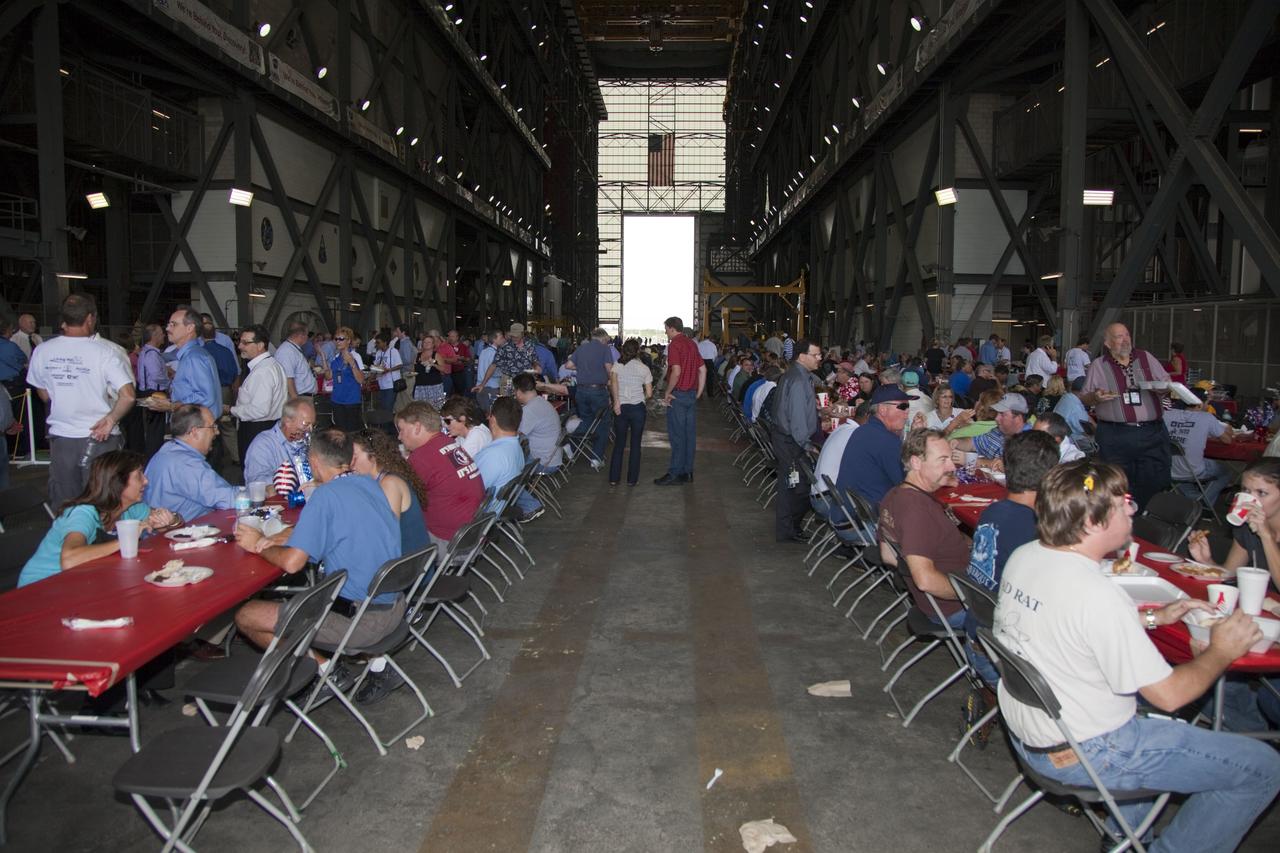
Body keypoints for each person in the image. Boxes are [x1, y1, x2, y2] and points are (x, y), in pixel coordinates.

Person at [992, 460, 1280, 851]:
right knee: (1264, 768)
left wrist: (1149, 616)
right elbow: (1171, 695)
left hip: (1034, 734)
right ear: (1093, 523)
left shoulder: (1028, 556)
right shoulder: (1096, 594)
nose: (1132, 509)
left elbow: (1068, 627)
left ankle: (1123, 839)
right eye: (1122, 502)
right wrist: (1221, 651)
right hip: (1092, 749)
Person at [233, 427, 405, 706]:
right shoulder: (371, 484)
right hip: (394, 606)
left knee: (247, 615)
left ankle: (325, 671)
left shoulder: (325, 497)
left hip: (363, 622)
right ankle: (377, 665)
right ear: (349, 459)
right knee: (310, 595)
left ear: (313, 461)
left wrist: (258, 543)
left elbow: (292, 563)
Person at [963, 431, 1059, 693]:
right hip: (1003, 660)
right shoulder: (1034, 531)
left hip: (977, 636)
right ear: (1050, 477)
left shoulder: (993, 511)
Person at [26, 294, 136, 507]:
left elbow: (44, 395)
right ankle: (104, 540)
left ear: (63, 320)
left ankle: (71, 539)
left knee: (67, 503)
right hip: (100, 437)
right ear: (90, 319)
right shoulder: (106, 352)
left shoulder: (42, 351)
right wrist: (111, 419)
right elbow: (128, 395)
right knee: (103, 499)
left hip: (62, 439)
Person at [18, 450, 176, 587]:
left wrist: (170, 520)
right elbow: (69, 560)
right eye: (139, 475)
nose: (146, 481)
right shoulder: (83, 513)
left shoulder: (132, 508)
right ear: (118, 483)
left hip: (82, 581)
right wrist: (126, 539)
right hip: (42, 587)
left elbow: (165, 526)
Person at [878, 429, 971, 629]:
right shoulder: (917, 510)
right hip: (953, 609)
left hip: (930, 603)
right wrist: (974, 593)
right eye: (942, 459)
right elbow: (926, 581)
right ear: (916, 463)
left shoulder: (894, 495)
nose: (952, 465)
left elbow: (888, 555)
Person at [1083, 323, 1172, 509]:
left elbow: (1167, 382)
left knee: (1154, 480)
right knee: (1116, 482)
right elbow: (1085, 397)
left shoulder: (1146, 357)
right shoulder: (1098, 365)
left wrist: (1162, 388)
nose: (1125, 340)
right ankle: (1120, 521)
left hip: (1151, 432)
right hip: (1115, 435)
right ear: (1107, 343)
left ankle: (1147, 522)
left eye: (1127, 335)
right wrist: (1096, 397)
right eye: (1118, 336)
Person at [396, 401, 484, 549]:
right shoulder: (448, 442)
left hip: (449, 540)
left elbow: (398, 499)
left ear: (417, 428)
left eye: (402, 430)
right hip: (473, 531)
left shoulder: (422, 457)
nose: (399, 437)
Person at [1189, 458, 1280, 591]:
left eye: (1261, 493)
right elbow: (1229, 574)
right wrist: (1206, 561)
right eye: (1246, 491)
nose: (1251, 500)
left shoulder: (1260, 528)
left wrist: (1267, 537)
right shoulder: (1247, 525)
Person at [143, 404, 239, 520]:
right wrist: (260, 492)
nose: (217, 432)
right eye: (212, 427)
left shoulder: (165, 452)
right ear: (194, 432)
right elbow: (229, 499)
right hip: (184, 532)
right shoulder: (187, 464)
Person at [771, 340, 822, 542]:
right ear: (802, 356)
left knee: (792, 486)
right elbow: (797, 418)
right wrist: (807, 445)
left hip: (788, 438)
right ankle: (787, 530)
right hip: (792, 441)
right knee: (796, 488)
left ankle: (790, 528)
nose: (820, 358)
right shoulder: (799, 380)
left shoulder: (798, 375)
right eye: (816, 355)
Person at [351, 428, 429, 555]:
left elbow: (385, 534)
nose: (350, 463)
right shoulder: (381, 478)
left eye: (354, 457)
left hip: (409, 565)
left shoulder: (390, 484)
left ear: (373, 456)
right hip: (410, 559)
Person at [836, 385, 912, 508]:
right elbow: (909, 484)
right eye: (902, 407)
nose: (907, 413)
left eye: (908, 407)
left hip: (848, 512)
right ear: (882, 409)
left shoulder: (863, 430)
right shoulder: (886, 440)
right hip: (867, 520)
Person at [654, 316, 705, 486]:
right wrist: (698, 392)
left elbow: (676, 371)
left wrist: (668, 392)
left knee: (677, 436)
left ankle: (674, 473)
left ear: (671, 328)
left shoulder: (675, 344)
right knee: (689, 436)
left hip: (679, 395)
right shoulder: (692, 344)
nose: (666, 332)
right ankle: (687, 472)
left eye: (666, 329)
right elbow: (702, 369)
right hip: (690, 395)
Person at [1163, 392, 1234, 507]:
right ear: (1200, 405)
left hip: (1169, 469)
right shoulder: (1206, 417)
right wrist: (1228, 427)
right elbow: (1227, 440)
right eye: (1207, 403)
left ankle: (1194, 500)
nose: (1208, 406)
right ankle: (1204, 502)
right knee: (1226, 471)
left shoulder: (1167, 414)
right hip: (1193, 470)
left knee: (1183, 473)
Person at [231, 324, 288, 456]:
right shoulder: (270, 364)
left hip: (257, 429)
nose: (240, 346)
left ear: (260, 345)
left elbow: (260, 410)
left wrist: (231, 410)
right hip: (268, 426)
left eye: (245, 343)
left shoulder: (263, 371)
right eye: (240, 342)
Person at [564, 328, 615, 470]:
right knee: (603, 424)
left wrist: (583, 367)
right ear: (603, 338)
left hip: (581, 390)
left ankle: (571, 444)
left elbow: (568, 365)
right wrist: (612, 384)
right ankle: (596, 458)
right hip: (598, 390)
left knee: (586, 419)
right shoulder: (605, 349)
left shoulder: (581, 348)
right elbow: (609, 370)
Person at [242, 397, 317, 488]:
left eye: (313, 425)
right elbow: (257, 482)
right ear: (288, 422)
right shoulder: (263, 444)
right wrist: (289, 479)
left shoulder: (308, 441)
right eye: (306, 424)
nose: (310, 429)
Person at [609, 338, 652, 487]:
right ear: (637, 350)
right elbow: (650, 393)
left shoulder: (617, 366)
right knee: (635, 444)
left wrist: (616, 402)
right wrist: (641, 399)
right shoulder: (643, 368)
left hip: (620, 408)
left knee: (619, 443)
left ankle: (614, 478)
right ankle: (632, 480)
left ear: (623, 349)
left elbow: (613, 385)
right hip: (637, 409)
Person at [951, 393, 1031, 470]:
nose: (996, 418)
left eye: (1002, 414)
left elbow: (1014, 468)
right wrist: (957, 442)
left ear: (1018, 418)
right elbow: (973, 443)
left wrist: (970, 461)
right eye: (997, 413)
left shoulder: (1031, 441)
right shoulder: (998, 431)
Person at [474, 396, 527, 504]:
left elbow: (471, 491)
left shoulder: (491, 456)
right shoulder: (517, 447)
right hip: (498, 509)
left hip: (481, 514)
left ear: (492, 420)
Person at [325, 326, 366, 432]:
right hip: (337, 399)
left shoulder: (355, 356)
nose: (338, 341)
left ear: (348, 341)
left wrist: (352, 363)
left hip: (351, 400)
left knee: (351, 433)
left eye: (341, 339)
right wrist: (323, 357)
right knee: (340, 432)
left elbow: (361, 380)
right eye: (336, 339)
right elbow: (329, 376)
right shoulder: (336, 358)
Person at [275, 321, 317, 398]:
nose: (307, 338)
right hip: (299, 398)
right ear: (301, 335)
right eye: (307, 335)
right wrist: (296, 401)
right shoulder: (286, 351)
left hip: (303, 397)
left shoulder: (293, 348)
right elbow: (288, 379)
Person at [370, 332, 403, 414]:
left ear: (385, 342)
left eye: (378, 342)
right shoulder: (378, 353)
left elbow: (400, 365)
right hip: (381, 383)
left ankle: (388, 425)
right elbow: (376, 365)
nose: (376, 344)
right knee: (382, 406)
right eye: (376, 342)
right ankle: (384, 424)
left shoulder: (393, 351)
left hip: (391, 384)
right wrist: (371, 377)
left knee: (388, 407)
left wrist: (389, 370)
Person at [471, 330, 504, 411]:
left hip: (480, 385)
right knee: (492, 413)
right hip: (491, 387)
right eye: (501, 337)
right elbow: (494, 372)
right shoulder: (495, 353)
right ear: (494, 340)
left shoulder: (484, 351)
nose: (503, 339)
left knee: (484, 413)